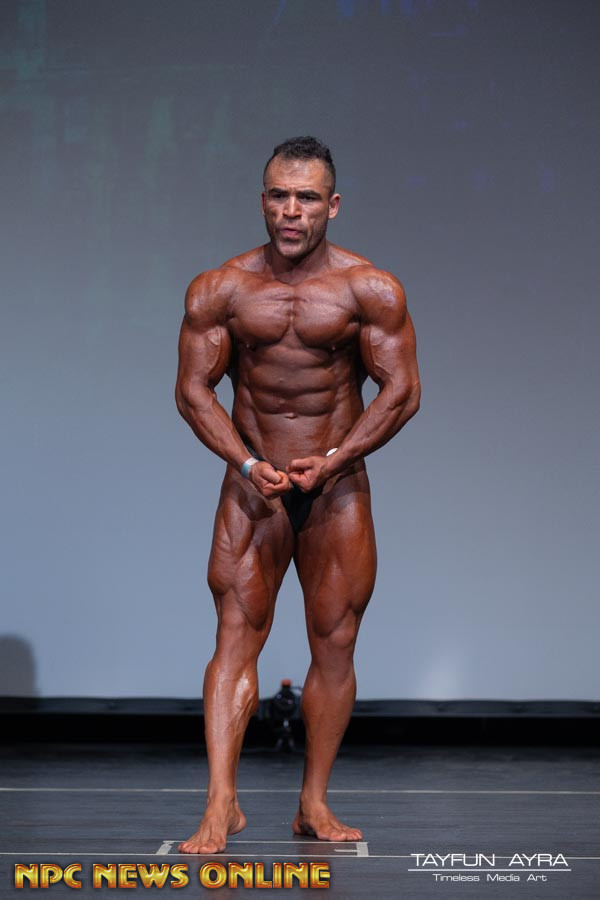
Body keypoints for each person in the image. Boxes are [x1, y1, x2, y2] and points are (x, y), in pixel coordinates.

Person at [175, 136, 421, 854]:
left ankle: (313, 800)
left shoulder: (369, 289)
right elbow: (193, 392)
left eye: (307, 197)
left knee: (335, 641)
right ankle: (220, 802)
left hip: (336, 489)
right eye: (280, 195)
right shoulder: (221, 289)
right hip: (253, 487)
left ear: (332, 205)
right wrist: (248, 462)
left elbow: (402, 392)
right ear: (263, 200)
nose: (291, 210)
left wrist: (338, 459)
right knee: (233, 634)